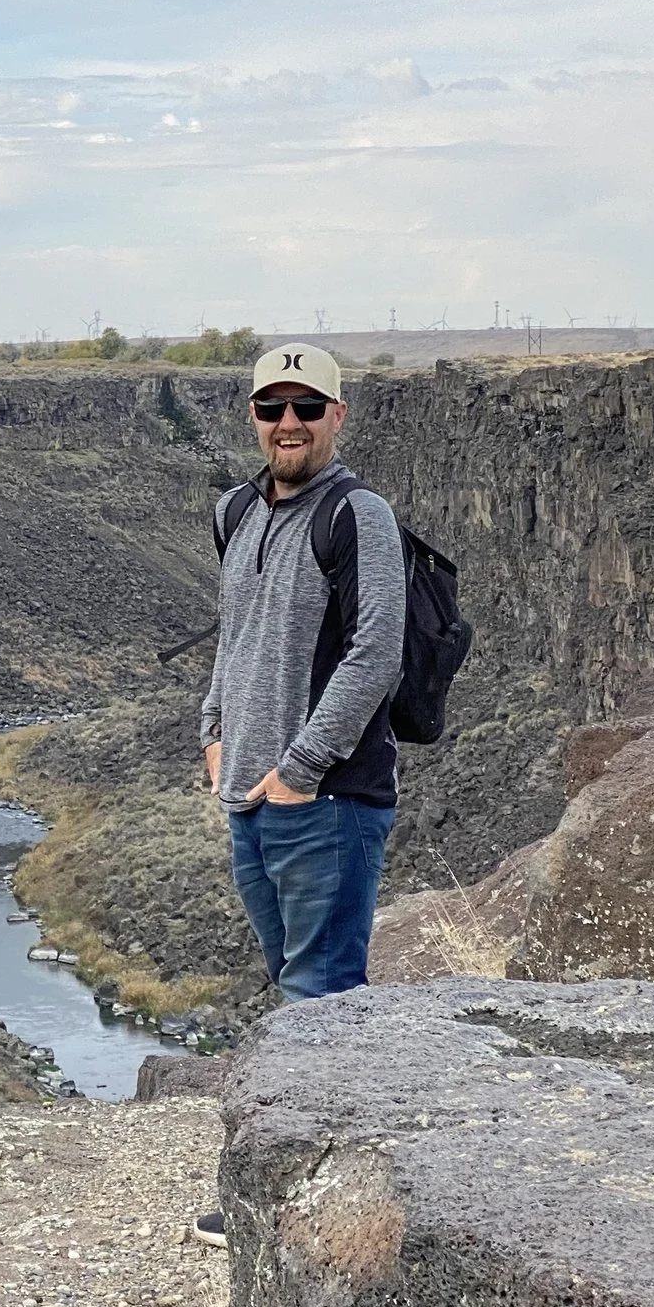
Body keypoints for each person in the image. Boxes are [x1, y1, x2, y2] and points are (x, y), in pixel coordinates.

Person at [191, 341, 404, 1249]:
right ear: (252, 416)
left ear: (336, 416)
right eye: (272, 406)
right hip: (249, 798)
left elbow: (377, 653)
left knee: (323, 1000)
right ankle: (311, 1192)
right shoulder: (237, 510)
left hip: (328, 803)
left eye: (307, 407)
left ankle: (311, 1211)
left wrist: (301, 769)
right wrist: (213, 733)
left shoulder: (358, 516)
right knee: (297, 990)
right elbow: (233, 635)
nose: (289, 423)